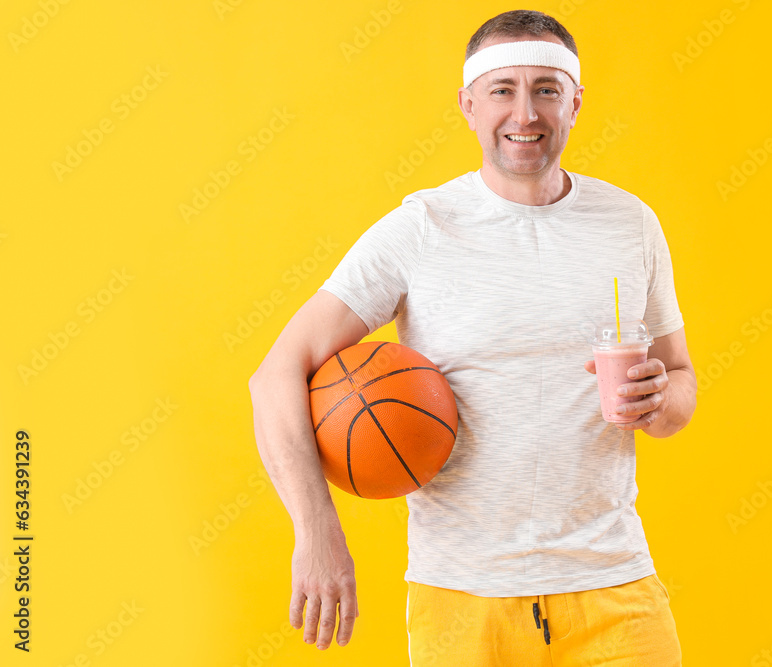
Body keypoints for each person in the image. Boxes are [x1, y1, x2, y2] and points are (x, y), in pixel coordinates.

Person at [249, 9, 696, 665]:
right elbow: (276, 373)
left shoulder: (631, 224)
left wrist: (660, 402)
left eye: (546, 89)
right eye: (502, 90)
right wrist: (317, 531)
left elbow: (680, 380)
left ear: (575, 101)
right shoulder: (422, 229)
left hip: (615, 588)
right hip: (462, 599)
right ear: (467, 104)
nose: (526, 113)